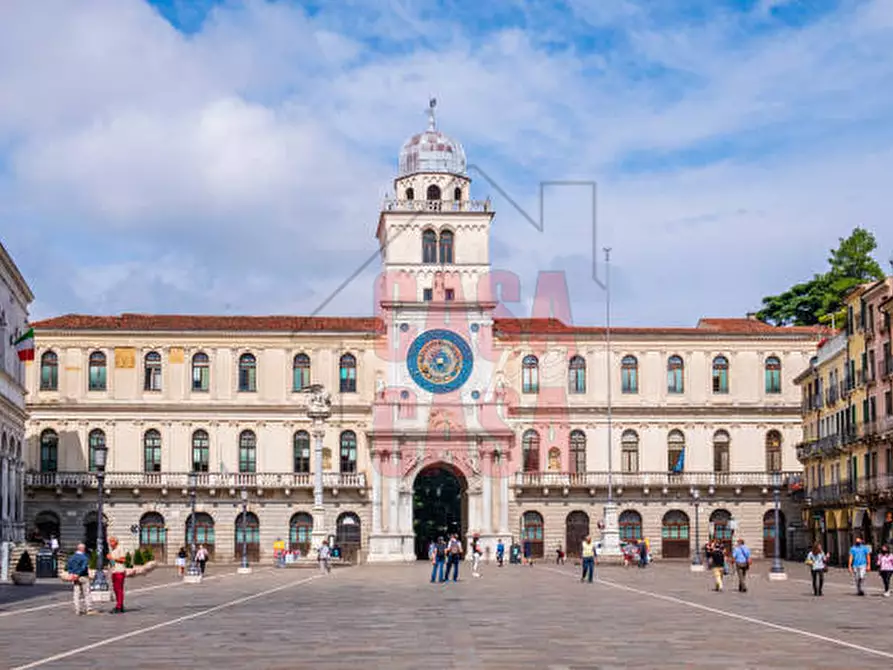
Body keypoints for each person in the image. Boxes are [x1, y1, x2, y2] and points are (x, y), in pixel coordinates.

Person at [66, 543, 96, 616]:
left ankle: (77, 609)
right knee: (87, 593)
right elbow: (83, 567)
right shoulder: (84, 557)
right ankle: (89, 608)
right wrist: (78, 574)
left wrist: (72, 574)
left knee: (76, 594)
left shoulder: (72, 557)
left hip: (74, 577)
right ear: (83, 549)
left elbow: (68, 566)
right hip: (83, 576)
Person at [106, 536, 128, 614]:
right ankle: (120, 604)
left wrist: (113, 558)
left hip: (119, 571)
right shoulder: (112, 549)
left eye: (111, 541)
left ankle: (119, 607)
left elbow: (123, 559)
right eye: (109, 541)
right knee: (115, 589)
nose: (110, 543)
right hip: (114, 571)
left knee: (119, 589)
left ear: (116, 542)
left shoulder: (120, 548)